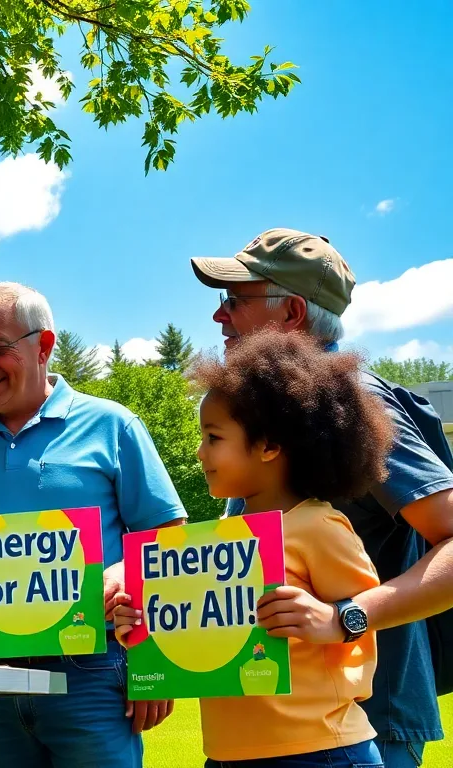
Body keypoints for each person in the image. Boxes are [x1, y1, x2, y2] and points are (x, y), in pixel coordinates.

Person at [191, 228, 453, 767]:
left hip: (362, 731)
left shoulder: (354, 401)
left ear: (290, 313)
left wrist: (345, 618)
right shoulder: (259, 410)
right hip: (267, 732)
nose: (220, 316)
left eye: (235, 300)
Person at [0, 282, 187, 767]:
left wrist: (155, 665)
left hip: (93, 672)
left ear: (43, 346)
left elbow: (167, 540)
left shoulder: (113, 426)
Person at [115, 330, 388, 766]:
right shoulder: (218, 540)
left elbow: (366, 622)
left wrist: (335, 619)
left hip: (322, 752)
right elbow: (199, 645)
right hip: (226, 755)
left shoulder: (319, 525)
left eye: (213, 437)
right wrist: (142, 630)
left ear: (270, 445)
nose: (200, 451)